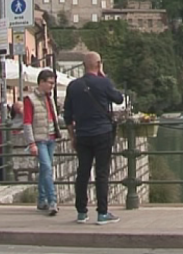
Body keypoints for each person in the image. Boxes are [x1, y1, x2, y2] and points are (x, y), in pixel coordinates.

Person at [64, 52, 124, 225]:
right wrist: (104, 76)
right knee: (102, 173)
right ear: (99, 64)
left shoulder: (73, 86)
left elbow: (68, 115)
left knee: (82, 173)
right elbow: (119, 99)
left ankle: (82, 213)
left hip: (82, 134)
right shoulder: (103, 82)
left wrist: (72, 136)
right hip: (102, 133)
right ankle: (102, 213)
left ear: (83, 65)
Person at [23, 70, 60, 216]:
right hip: (40, 139)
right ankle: (52, 201)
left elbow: (53, 117)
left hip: (51, 137)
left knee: (45, 170)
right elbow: (27, 122)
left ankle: (41, 200)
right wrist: (31, 143)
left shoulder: (49, 98)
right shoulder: (30, 99)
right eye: (50, 83)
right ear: (42, 82)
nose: (52, 86)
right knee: (47, 167)